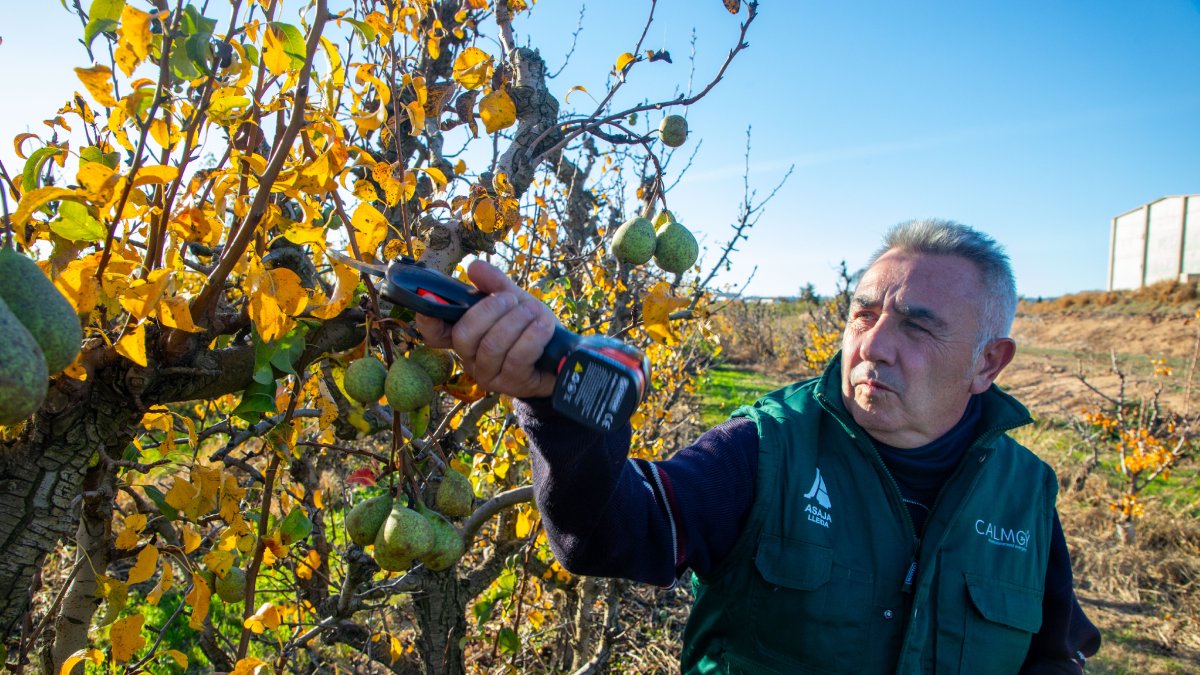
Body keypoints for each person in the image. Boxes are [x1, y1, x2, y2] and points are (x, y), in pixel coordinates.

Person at [415, 219, 1101, 673]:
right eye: (863, 313)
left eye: (918, 328)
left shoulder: (1026, 492)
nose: (874, 346)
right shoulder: (769, 445)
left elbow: (1054, 656)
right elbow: (614, 532)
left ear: (989, 362)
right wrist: (556, 406)